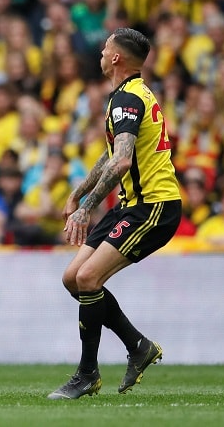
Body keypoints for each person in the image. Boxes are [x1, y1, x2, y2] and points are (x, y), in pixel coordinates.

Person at [48, 28, 182, 400]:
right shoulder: (128, 96)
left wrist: (86, 210)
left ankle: (87, 374)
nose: (101, 53)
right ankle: (138, 346)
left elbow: (122, 161)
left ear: (117, 58)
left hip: (154, 207)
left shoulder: (128, 100)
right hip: (132, 204)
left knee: (89, 277)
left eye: (106, 48)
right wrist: (78, 193)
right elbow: (113, 154)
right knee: (73, 278)